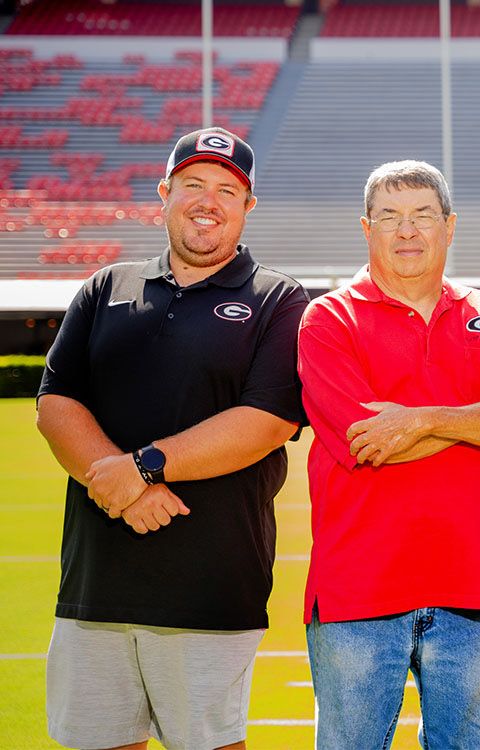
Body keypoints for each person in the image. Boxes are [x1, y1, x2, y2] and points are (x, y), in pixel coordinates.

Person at [35, 127, 307, 750]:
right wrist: (121, 481)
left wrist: (148, 465)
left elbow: (267, 420)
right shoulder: (106, 287)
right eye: (193, 184)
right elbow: (56, 403)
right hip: (95, 579)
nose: (207, 200)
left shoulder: (277, 298)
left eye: (226, 189)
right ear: (164, 193)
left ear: (247, 206)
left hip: (210, 584)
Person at [297, 160, 480, 750]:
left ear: (450, 226)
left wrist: (419, 419)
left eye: (423, 216)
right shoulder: (328, 319)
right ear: (366, 229)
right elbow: (367, 441)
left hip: (468, 591)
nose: (407, 231)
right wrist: (475, 429)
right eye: (390, 217)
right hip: (359, 594)